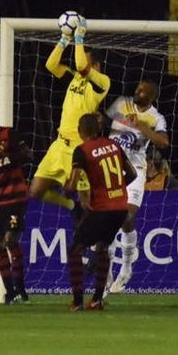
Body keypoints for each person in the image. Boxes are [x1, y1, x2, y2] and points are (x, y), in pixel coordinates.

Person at [29, 17, 111, 213]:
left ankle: (93, 239)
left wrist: (79, 37)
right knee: (34, 192)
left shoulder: (102, 83)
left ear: (97, 66)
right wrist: (65, 40)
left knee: (87, 204)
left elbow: (82, 65)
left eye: (85, 58)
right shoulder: (73, 78)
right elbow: (50, 65)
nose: (79, 61)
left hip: (79, 149)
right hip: (58, 145)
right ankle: (70, 206)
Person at [66, 114, 137, 310]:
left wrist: (65, 188)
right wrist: (116, 190)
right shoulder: (114, 145)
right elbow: (132, 174)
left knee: (75, 250)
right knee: (103, 247)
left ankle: (77, 300)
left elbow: (72, 186)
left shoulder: (81, 150)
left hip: (101, 209)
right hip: (121, 208)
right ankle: (97, 299)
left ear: (81, 132)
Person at [105, 81, 170, 294]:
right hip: (111, 168)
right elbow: (104, 123)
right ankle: (106, 275)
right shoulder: (121, 103)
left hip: (136, 169)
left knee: (126, 218)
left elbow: (163, 142)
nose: (136, 92)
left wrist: (141, 126)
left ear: (151, 96)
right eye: (137, 88)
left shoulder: (156, 117)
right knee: (107, 222)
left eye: (142, 90)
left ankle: (126, 269)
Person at [0, 103, 33, 305]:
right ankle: (10, 292)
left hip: (16, 195)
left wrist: (6, 157)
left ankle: (21, 289)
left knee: (10, 240)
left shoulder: (9, 134)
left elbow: (28, 155)